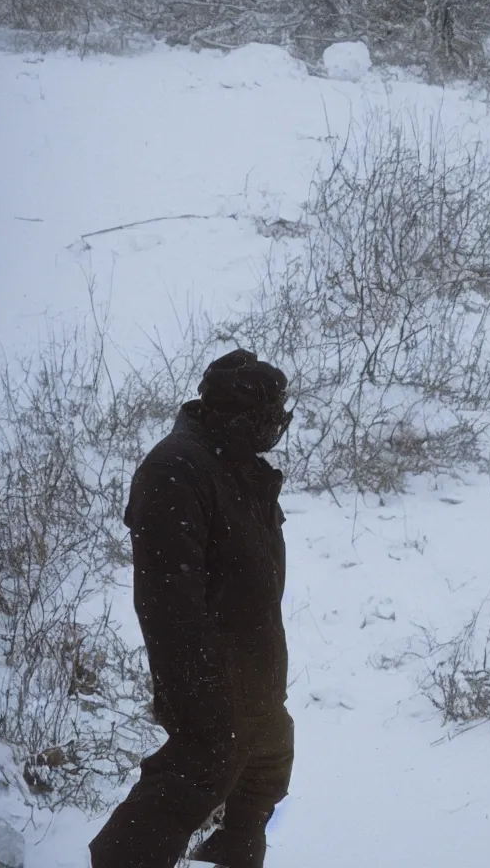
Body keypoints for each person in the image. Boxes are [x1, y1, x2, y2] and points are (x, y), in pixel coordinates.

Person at [90, 350, 295, 868]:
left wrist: (265, 679)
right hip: (206, 677)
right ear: (231, 411)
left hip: (257, 676)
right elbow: (166, 604)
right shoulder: (175, 470)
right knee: (188, 781)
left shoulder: (242, 469)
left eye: (279, 418)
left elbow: (256, 589)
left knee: (268, 767)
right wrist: (204, 694)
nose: (274, 429)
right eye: (266, 418)